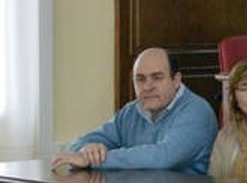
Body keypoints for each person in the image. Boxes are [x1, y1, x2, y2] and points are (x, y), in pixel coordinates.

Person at [51, 47, 217, 175]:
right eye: (140, 79)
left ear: (176, 80)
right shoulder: (130, 112)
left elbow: (163, 157)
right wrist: (86, 149)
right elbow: (80, 144)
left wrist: (94, 160)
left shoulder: (197, 111)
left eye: (157, 78)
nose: (147, 87)